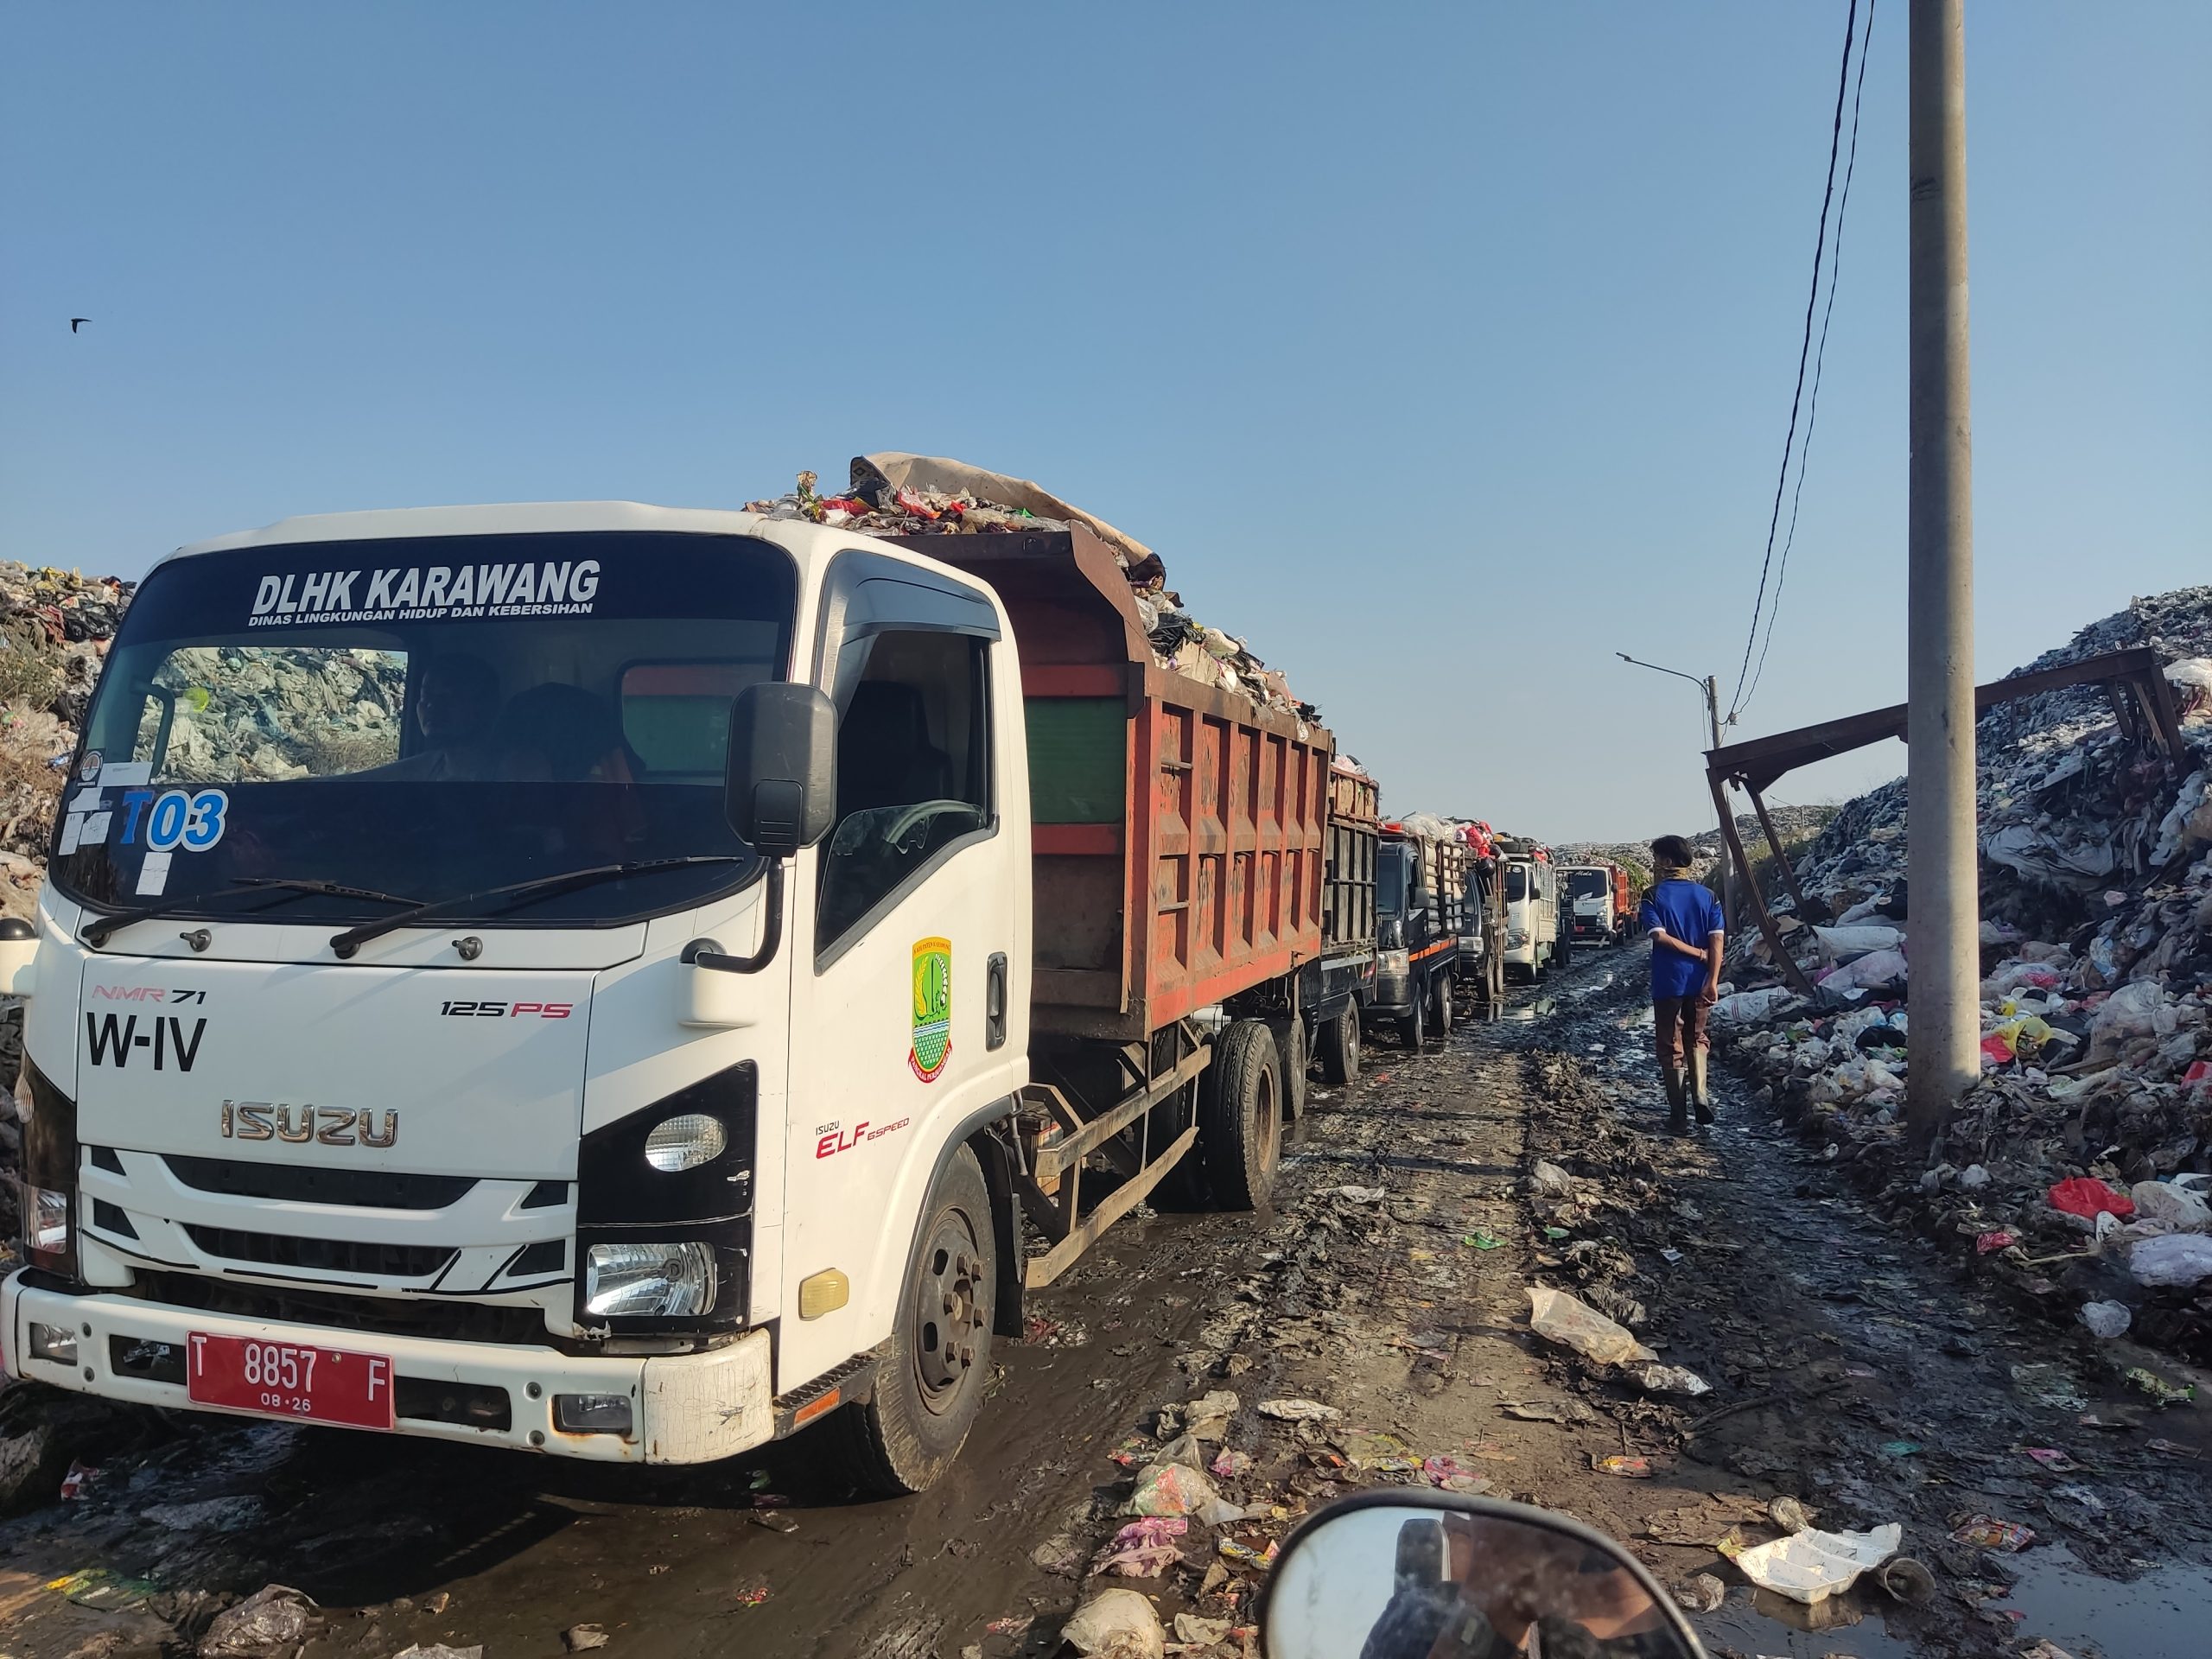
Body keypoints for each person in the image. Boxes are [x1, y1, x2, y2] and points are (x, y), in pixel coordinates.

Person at [1638, 836, 1724, 1134]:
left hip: (1668, 981)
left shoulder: (1652, 896)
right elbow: (1717, 941)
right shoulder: (1709, 896)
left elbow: (1659, 936)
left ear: (1666, 862)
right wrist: (1712, 979)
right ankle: (1700, 1094)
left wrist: (1695, 953)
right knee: (1697, 1037)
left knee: (1669, 1044)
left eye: (1656, 858)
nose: (1654, 864)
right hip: (1700, 981)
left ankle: (1678, 1116)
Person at [375, 655, 501, 780]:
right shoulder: (428, 766)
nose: (431, 705)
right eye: (426, 695)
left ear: (484, 705)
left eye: (449, 696)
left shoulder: (508, 775)